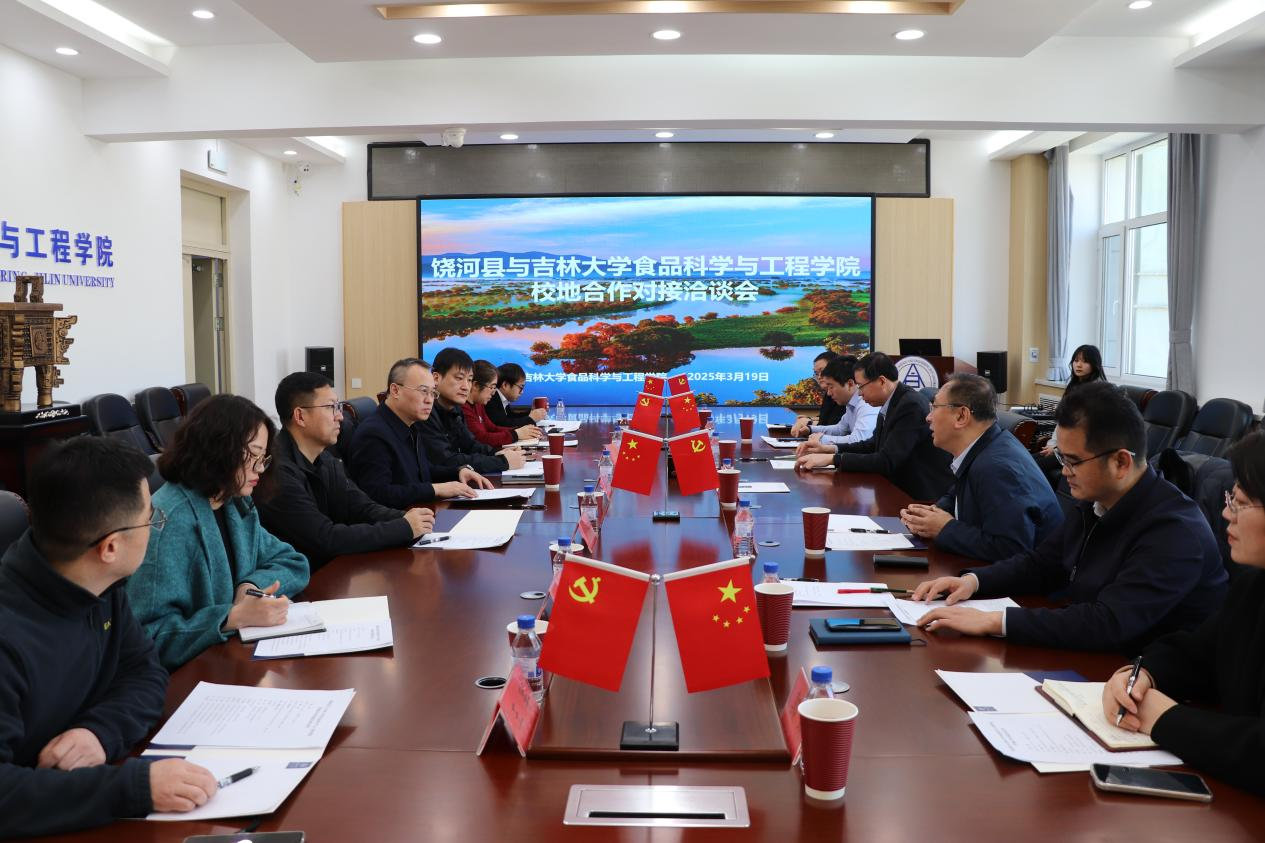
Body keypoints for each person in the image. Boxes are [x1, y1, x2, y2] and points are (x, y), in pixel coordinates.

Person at [0, 438, 219, 837]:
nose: (155, 527)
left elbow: (144, 672)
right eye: (151, 520)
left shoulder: (101, 585)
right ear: (111, 547)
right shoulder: (9, 635)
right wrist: (134, 788)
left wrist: (99, 732)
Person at [912, 382, 1227, 651]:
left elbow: (1108, 622)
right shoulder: (1096, 501)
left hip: (1143, 677)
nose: (1064, 472)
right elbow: (1041, 563)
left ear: (1120, 462)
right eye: (1062, 458)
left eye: (1073, 461)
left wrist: (994, 621)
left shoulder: (1174, 531)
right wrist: (972, 582)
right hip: (1096, 657)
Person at [1102, 431, 1265, 795]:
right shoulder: (1253, 585)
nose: (1226, 513)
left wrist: (1162, 717)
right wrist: (1142, 676)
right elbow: (1196, 654)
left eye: (1239, 503)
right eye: (1230, 498)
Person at [128, 395, 311, 670]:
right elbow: (150, 637)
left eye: (263, 457)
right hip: (189, 677)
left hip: (232, 663)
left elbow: (293, 562)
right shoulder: (167, 522)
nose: (261, 468)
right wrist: (231, 617)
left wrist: (250, 587)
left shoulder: (234, 504)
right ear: (218, 450)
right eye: (253, 455)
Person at [256, 372, 436, 571]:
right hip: (303, 581)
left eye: (339, 407)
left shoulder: (325, 459)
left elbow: (361, 507)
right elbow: (325, 538)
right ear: (300, 416)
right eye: (330, 407)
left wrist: (409, 517)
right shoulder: (277, 474)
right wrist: (403, 527)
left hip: (334, 569)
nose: (340, 416)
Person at [900, 374, 1063, 561]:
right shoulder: (985, 446)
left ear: (961, 416)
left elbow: (1011, 549)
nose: (928, 417)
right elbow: (956, 496)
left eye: (934, 407)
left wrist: (944, 528)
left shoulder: (997, 467)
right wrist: (927, 516)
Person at [795, 352, 953, 501]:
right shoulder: (891, 401)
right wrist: (831, 449)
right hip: (898, 489)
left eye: (861, 386)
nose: (859, 393)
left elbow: (886, 460)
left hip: (919, 496)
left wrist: (833, 459)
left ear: (882, 381)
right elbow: (872, 444)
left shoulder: (910, 406)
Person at [348, 357, 494, 510]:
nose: (430, 400)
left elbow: (421, 471)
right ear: (395, 390)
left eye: (433, 393)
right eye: (423, 391)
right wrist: (436, 489)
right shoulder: (373, 434)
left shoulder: (409, 423)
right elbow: (378, 494)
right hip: (402, 519)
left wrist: (457, 472)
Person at [420, 347, 528, 476]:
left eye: (469, 380)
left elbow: (470, 445)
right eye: (459, 378)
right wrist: (502, 461)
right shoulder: (425, 412)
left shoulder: (455, 409)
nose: (466, 386)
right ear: (436, 378)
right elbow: (447, 460)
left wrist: (497, 453)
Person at [792, 355, 878, 454]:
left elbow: (859, 439)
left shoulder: (866, 403)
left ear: (850, 384)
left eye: (831, 387)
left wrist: (822, 439)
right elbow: (840, 429)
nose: (828, 393)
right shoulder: (851, 403)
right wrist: (810, 429)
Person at [1039, 344, 1109, 461]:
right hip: (1063, 446)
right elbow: (1063, 421)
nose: (1079, 365)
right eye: (1076, 360)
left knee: (1034, 465)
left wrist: (1057, 448)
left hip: (1081, 451)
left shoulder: (1097, 391)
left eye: (1085, 361)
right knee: (1027, 461)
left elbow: (1085, 429)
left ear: (1094, 364)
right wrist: (1053, 444)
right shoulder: (1074, 386)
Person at [463, 359, 543, 448]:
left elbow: (492, 428)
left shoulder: (478, 404)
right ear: (476, 386)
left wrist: (521, 431)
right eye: (492, 387)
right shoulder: (464, 408)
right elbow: (482, 438)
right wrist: (516, 434)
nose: (493, 392)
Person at [789, 350, 844, 433]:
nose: (819, 377)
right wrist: (808, 420)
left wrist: (809, 423)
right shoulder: (828, 394)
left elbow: (836, 427)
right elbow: (824, 419)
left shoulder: (843, 396)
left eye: (823, 371)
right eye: (816, 373)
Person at [487, 362, 549, 430]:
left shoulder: (501, 398)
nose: (522, 392)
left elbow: (511, 417)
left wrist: (531, 412)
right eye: (521, 387)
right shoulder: (491, 399)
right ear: (505, 385)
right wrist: (530, 419)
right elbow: (502, 424)